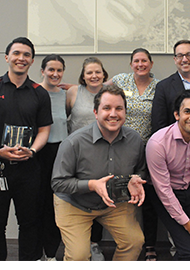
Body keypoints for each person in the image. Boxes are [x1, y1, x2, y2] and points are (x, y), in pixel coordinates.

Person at [51, 85, 149, 261]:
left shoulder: (134, 140)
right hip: (74, 203)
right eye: (107, 108)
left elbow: (141, 169)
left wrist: (137, 179)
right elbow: (58, 183)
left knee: (134, 242)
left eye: (119, 108)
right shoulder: (74, 142)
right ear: (95, 112)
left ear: (125, 112)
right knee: (79, 256)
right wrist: (92, 184)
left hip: (114, 203)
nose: (113, 114)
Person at [0, 37, 53, 261]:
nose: (21, 58)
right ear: (7, 57)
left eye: (26, 55)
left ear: (32, 61)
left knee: (30, 223)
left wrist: (32, 151)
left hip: (28, 169)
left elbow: (44, 130)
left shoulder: (39, 92)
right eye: (17, 53)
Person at [145, 90, 190, 261]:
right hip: (163, 193)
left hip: (189, 190)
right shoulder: (157, 144)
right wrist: (189, 226)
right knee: (189, 251)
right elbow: (163, 190)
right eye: (187, 112)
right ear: (177, 114)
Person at [108, 48, 163, 260]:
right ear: (131, 64)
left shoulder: (159, 86)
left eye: (144, 61)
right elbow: (97, 89)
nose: (140, 64)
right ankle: (124, 244)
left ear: (151, 63)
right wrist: (72, 88)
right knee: (121, 196)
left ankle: (149, 245)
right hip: (121, 148)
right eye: (136, 61)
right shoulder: (121, 81)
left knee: (147, 201)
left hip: (149, 151)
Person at [64, 56, 109, 260]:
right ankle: (77, 244)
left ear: (103, 74)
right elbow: (65, 117)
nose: (94, 75)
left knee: (101, 197)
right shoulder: (74, 92)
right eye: (89, 72)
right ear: (83, 76)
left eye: (97, 72)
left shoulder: (109, 92)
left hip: (104, 153)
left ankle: (94, 244)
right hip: (77, 154)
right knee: (79, 196)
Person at [37, 54, 68, 261]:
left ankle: (51, 254)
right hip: (38, 153)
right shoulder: (34, 92)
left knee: (57, 204)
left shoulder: (67, 95)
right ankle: (36, 253)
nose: (55, 74)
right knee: (38, 204)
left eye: (59, 70)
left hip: (61, 153)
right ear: (42, 71)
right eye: (51, 70)